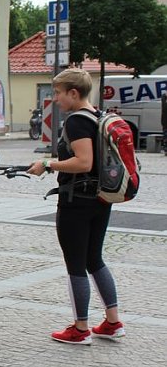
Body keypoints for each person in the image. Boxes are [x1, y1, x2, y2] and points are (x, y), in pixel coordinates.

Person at [28, 68, 124, 345]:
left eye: (58, 93)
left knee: (75, 264)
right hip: (100, 198)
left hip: (76, 201)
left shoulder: (77, 122)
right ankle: (113, 322)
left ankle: (80, 328)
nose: (55, 99)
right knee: (94, 259)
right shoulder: (99, 117)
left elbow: (84, 162)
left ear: (73, 93)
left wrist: (47, 164)